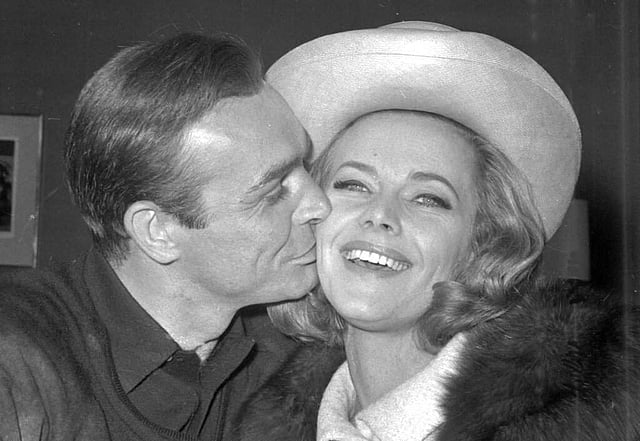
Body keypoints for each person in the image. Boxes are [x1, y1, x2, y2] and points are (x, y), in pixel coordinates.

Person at [234, 21, 640, 440]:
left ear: (484, 243)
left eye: (427, 198)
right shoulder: (254, 413)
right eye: (354, 185)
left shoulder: (598, 412)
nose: (380, 214)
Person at [0, 32, 331, 440]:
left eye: (305, 168)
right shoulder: (16, 362)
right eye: (274, 190)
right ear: (157, 232)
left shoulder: (293, 352)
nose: (319, 204)